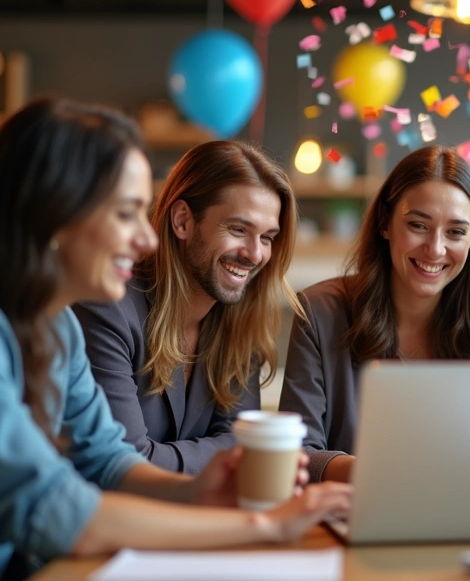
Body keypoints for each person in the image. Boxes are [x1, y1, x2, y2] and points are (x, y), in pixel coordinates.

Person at [0, 99, 350, 581]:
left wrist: (199, 490)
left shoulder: (53, 325)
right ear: (53, 214)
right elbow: (49, 510)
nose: (147, 238)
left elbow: (107, 460)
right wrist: (263, 526)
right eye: (126, 213)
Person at [279, 145, 470, 483]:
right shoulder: (320, 314)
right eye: (418, 225)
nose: (435, 249)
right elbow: (295, 453)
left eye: (455, 232)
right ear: (385, 224)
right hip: (350, 508)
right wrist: (385, 474)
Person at [73, 140, 300, 474]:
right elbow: (125, 465)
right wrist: (228, 457)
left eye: (267, 237)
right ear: (182, 221)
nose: (255, 254)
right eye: (238, 229)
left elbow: (245, 444)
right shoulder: (108, 308)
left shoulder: (239, 318)